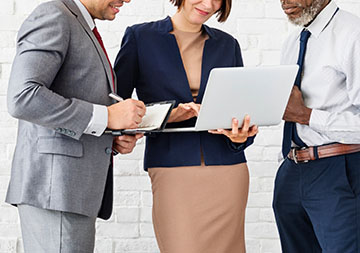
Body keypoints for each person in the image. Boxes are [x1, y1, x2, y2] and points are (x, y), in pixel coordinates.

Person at [114, 0, 258, 252]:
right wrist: (171, 114)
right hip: (172, 166)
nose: (209, 4)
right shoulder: (141, 37)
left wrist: (241, 138)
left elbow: (239, 109)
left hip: (228, 168)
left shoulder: (228, 44)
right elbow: (116, 108)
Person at [5, 0, 146, 251]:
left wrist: (108, 137)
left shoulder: (79, 22)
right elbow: (23, 97)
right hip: (56, 190)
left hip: (67, 191)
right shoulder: (54, 16)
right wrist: (107, 117)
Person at [273, 0, 360, 252]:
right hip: (292, 172)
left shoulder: (353, 34)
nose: (285, 2)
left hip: (338, 171)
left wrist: (307, 115)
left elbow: (300, 113)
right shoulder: (293, 42)